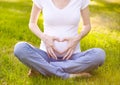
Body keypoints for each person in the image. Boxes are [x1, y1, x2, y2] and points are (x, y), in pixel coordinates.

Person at [14, 0, 106, 79]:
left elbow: (87, 25)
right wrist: (44, 38)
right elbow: (32, 23)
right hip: (46, 55)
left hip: (73, 56)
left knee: (99, 54)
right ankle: (68, 75)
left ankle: (41, 67)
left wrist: (77, 38)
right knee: (20, 48)